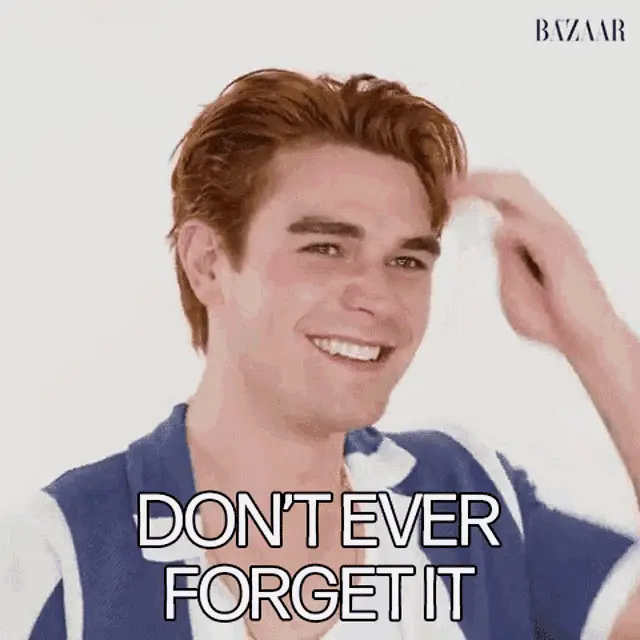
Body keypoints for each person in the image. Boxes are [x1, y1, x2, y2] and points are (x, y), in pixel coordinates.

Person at [1, 68, 639, 640]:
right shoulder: (63, 560)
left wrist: (592, 333)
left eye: (407, 260)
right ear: (208, 263)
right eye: (326, 249)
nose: (378, 296)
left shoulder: (464, 498)